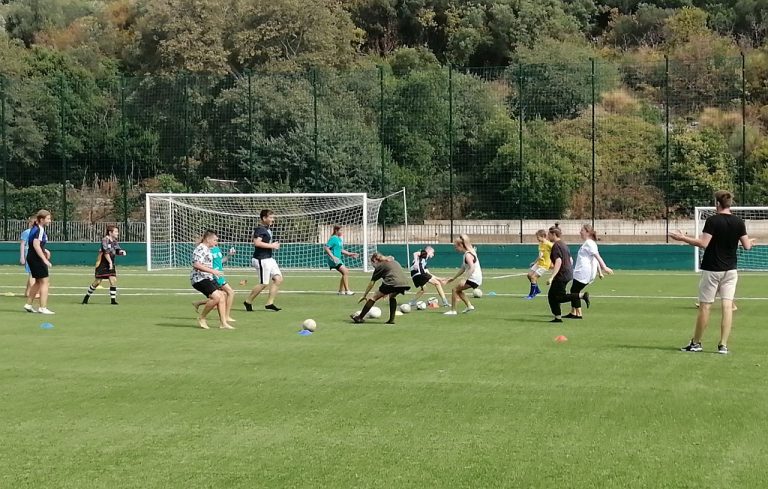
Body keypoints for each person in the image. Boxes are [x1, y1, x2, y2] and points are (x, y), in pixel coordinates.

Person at [670, 190, 754, 354]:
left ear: (717, 203)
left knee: (705, 307)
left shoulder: (713, 220)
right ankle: (723, 345)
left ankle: (696, 343)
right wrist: (749, 242)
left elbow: (703, 243)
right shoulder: (739, 221)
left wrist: (682, 238)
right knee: (727, 306)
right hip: (730, 270)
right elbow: (747, 246)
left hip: (712, 269)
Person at [565, 224, 613, 319]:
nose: (580, 232)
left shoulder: (589, 243)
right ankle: (574, 312)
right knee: (574, 290)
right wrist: (600, 272)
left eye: (582, 230)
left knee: (574, 291)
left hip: (583, 272)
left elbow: (597, 256)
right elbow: (594, 259)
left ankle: (578, 313)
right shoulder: (589, 243)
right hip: (582, 271)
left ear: (587, 232)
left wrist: (604, 267)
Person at [545, 224, 590, 323]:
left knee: (558, 297)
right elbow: (570, 259)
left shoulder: (556, 246)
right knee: (552, 295)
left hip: (561, 275)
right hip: (567, 273)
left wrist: (552, 276)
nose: (547, 236)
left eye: (549, 234)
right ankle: (557, 318)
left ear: (553, 234)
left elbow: (559, 261)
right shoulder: (563, 244)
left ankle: (581, 296)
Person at [191, 230, 234, 330]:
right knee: (216, 297)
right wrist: (213, 271)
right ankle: (202, 318)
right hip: (199, 278)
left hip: (207, 277)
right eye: (215, 240)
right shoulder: (201, 248)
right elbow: (196, 264)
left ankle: (223, 323)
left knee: (222, 296)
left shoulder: (208, 249)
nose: (216, 242)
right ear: (208, 239)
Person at [351, 252, 411, 324]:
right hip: (405, 283)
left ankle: (359, 318)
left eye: (372, 263)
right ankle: (391, 320)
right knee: (392, 296)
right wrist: (386, 292)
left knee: (374, 297)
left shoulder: (380, 266)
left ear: (375, 260)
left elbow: (372, 283)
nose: (373, 265)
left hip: (393, 282)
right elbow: (391, 273)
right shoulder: (393, 261)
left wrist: (364, 295)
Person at [244, 209, 283, 312]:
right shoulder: (260, 229)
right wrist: (272, 245)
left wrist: (272, 246)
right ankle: (248, 301)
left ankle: (270, 303)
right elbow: (257, 243)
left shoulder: (267, 229)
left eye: (273, 217)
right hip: (261, 259)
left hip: (269, 258)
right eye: (270, 217)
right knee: (264, 283)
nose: (272, 219)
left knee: (278, 279)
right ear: (264, 218)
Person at [82, 225, 127, 305]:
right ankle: (86, 297)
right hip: (103, 263)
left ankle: (113, 301)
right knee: (97, 282)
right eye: (116, 231)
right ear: (110, 232)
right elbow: (106, 252)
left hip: (111, 263)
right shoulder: (105, 240)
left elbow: (117, 250)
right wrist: (110, 263)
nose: (117, 233)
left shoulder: (114, 241)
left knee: (113, 280)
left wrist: (121, 252)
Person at [443, 234, 483, 316]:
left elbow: (472, 268)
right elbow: (463, 268)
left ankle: (453, 310)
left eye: (456, 246)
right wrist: (453, 278)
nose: (455, 248)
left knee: (454, 289)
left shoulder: (468, 255)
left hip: (474, 278)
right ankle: (469, 306)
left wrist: (465, 279)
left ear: (461, 245)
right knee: (458, 290)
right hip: (475, 278)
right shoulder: (468, 253)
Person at [24, 209, 54, 315]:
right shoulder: (39, 229)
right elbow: (36, 245)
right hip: (36, 258)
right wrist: (45, 260)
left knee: (37, 281)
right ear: (41, 219)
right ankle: (43, 307)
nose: (50, 221)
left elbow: (36, 244)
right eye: (48, 219)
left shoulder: (35, 228)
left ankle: (28, 304)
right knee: (45, 282)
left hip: (31, 256)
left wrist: (45, 250)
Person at [324, 225, 359, 295]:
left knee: (345, 272)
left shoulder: (339, 239)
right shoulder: (333, 238)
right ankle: (347, 290)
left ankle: (340, 291)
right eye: (341, 230)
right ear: (336, 231)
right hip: (333, 259)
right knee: (345, 271)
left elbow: (340, 250)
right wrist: (333, 257)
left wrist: (350, 254)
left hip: (338, 259)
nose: (342, 232)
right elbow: (326, 248)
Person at [525, 229, 553, 299]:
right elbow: (540, 254)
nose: (537, 238)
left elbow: (555, 252)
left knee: (533, 277)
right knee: (529, 275)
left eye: (538, 237)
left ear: (543, 236)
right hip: (539, 263)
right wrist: (534, 262)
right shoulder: (540, 244)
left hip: (545, 265)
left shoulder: (549, 244)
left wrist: (552, 262)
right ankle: (537, 290)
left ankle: (531, 295)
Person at [19, 217, 38, 305]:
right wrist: (22, 257)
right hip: (29, 254)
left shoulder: (37, 232)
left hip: (34, 254)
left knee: (31, 273)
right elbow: (22, 244)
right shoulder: (27, 232)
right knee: (32, 274)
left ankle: (27, 292)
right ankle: (33, 292)